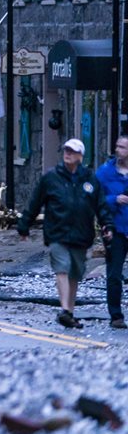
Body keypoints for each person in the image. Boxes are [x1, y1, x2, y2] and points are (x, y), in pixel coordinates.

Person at [18, 138, 109, 329]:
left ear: (80, 156)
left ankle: (70, 311)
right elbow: (35, 202)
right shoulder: (51, 177)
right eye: (66, 150)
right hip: (57, 231)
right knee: (62, 267)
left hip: (82, 233)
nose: (68, 153)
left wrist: (107, 226)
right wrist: (24, 225)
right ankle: (65, 310)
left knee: (75, 272)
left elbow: (100, 205)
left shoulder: (90, 179)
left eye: (72, 151)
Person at [96, 135, 128, 329]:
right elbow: (94, 197)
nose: (119, 150)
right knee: (114, 273)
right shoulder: (105, 172)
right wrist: (114, 199)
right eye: (118, 146)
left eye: (123, 148)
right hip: (115, 228)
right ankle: (116, 315)